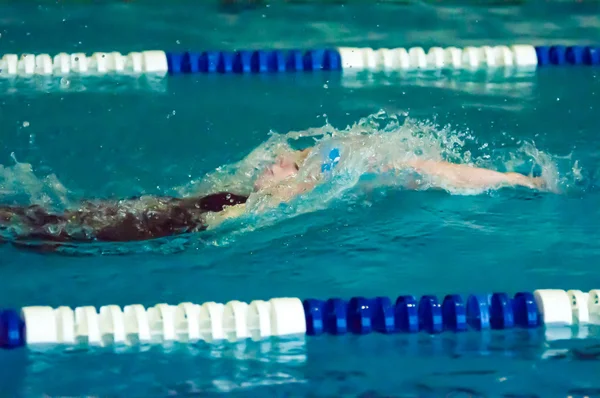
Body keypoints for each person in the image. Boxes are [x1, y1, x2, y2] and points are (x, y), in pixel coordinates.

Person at [0, 139, 547, 251]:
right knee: (68, 231)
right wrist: (521, 182)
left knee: (75, 220)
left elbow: (276, 157)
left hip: (222, 199)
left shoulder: (343, 147)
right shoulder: (378, 163)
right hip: (227, 214)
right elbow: (444, 170)